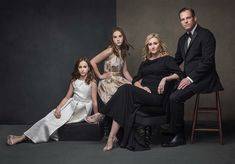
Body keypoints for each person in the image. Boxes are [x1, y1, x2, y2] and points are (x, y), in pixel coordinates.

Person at [101, 33, 183, 151]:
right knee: (123, 99)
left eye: (155, 43)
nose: (153, 46)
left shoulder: (167, 59)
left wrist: (165, 79)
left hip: (157, 97)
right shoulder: (144, 63)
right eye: (150, 44)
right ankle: (111, 137)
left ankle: (103, 115)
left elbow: (179, 74)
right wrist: (140, 87)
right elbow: (135, 80)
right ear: (147, 47)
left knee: (125, 88)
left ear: (160, 45)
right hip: (144, 94)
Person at [161, 8, 224, 147]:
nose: (185, 21)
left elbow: (208, 62)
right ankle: (173, 128)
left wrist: (190, 79)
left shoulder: (206, 35)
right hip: (190, 77)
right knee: (169, 89)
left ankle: (179, 136)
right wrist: (161, 67)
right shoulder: (182, 39)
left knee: (175, 97)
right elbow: (177, 60)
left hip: (205, 78)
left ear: (195, 18)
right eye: (182, 19)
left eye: (188, 18)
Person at [6, 58, 98, 145]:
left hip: (82, 109)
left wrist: (96, 115)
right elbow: (66, 97)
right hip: (71, 104)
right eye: (80, 67)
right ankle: (24, 136)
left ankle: (23, 138)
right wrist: (58, 107)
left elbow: (94, 101)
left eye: (85, 67)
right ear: (77, 69)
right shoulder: (74, 81)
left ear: (89, 68)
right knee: (48, 117)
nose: (82, 69)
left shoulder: (92, 82)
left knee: (52, 122)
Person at [85, 27, 133, 124]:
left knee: (131, 94)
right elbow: (92, 62)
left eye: (120, 36)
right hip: (109, 81)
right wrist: (100, 76)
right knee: (121, 98)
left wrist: (134, 82)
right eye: (115, 37)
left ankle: (102, 114)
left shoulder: (123, 52)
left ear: (123, 37)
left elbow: (125, 72)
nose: (118, 39)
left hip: (119, 80)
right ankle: (102, 115)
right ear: (112, 39)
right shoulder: (110, 50)